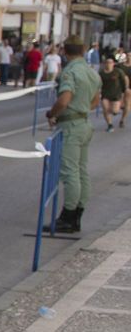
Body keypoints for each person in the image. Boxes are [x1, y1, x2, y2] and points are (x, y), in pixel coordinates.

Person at [45, 37, 103, 234]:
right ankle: (77, 214)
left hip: (70, 125)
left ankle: (67, 216)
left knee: (70, 172)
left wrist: (52, 114)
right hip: (84, 123)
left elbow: (64, 99)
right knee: (81, 171)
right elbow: (95, 100)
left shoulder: (70, 72)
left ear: (65, 51)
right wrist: (82, 108)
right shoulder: (91, 73)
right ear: (83, 49)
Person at [100, 56, 125, 132]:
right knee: (105, 108)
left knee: (115, 111)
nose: (108, 64)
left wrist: (123, 91)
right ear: (104, 64)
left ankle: (117, 108)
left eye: (110, 62)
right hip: (105, 93)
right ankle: (110, 125)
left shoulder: (118, 71)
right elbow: (98, 82)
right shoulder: (101, 73)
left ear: (113, 64)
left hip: (116, 94)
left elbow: (123, 80)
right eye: (107, 63)